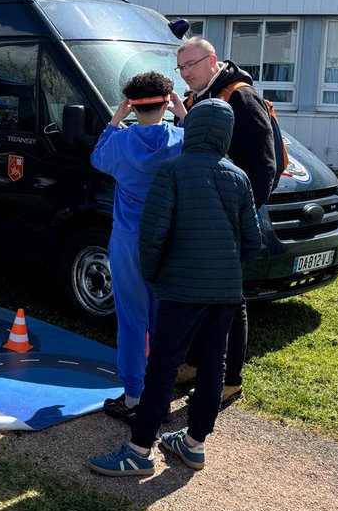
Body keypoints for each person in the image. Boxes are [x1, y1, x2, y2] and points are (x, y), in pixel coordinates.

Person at [89, 99, 263, 477]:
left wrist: (155, 276)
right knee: (213, 366)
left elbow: (152, 236)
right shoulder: (238, 176)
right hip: (226, 292)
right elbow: (253, 240)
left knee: (163, 368)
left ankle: (138, 450)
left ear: (194, 127)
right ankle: (194, 443)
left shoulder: (172, 171)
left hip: (181, 287)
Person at [171, 36, 277, 402]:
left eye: (192, 66)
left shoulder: (239, 96)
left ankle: (230, 379)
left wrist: (241, 215)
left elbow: (265, 165)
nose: (186, 74)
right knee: (201, 296)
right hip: (199, 217)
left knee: (232, 302)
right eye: (181, 68)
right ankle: (199, 364)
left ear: (212, 60)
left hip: (228, 219)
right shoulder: (193, 100)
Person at [91, 71, 184, 420]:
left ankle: (133, 396)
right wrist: (183, 112)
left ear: (132, 105)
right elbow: (202, 143)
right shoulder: (179, 138)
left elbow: (96, 157)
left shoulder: (118, 142)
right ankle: (161, 392)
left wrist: (115, 119)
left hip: (128, 243)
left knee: (132, 321)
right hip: (168, 243)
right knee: (164, 322)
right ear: (167, 102)